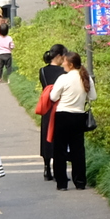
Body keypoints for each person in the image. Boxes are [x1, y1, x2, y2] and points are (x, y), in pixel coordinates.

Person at [48, 51, 91, 191]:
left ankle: (62, 184)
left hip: (62, 116)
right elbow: (94, 96)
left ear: (70, 64)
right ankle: (80, 182)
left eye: (64, 61)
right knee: (78, 150)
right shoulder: (85, 77)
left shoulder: (63, 78)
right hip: (79, 116)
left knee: (59, 150)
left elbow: (53, 97)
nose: (62, 63)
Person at [35, 45, 67, 181]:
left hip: (46, 105)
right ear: (59, 56)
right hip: (60, 105)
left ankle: (46, 168)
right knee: (60, 137)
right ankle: (60, 170)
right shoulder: (64, 72)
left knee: (46, 136)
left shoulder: (42, 71)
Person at [0, 13, 15, 83]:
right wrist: (11, 48)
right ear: (7, 31)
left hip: (0, 55)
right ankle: (9, 79)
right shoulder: (9, 38)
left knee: (0, 67)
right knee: (8, 67)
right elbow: (12, 46)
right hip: (8, 54)